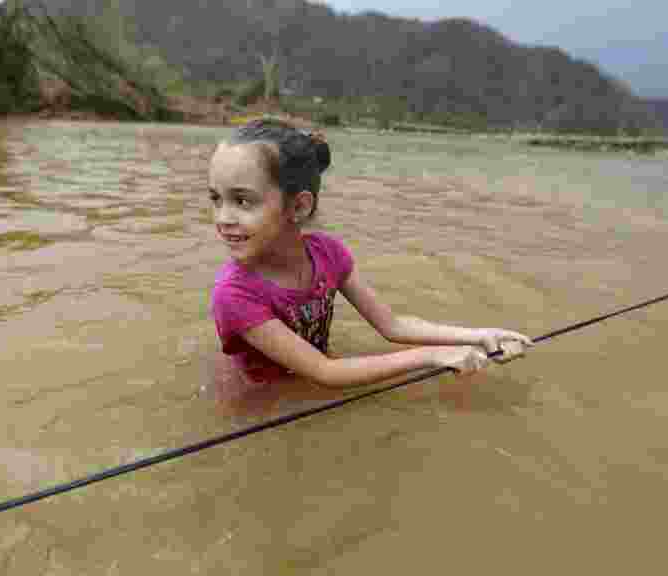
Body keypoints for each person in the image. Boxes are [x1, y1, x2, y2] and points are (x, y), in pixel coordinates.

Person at [208, 118, 532, 389]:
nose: (223, 218)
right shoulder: (234, 294)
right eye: (216, 199)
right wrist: (434, 355)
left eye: (242, 201)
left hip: (309, 378)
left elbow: (393, 325)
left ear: (299, 206)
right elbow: (326, 372)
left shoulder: (328, 254)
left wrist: (479, 336)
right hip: (259, 401)